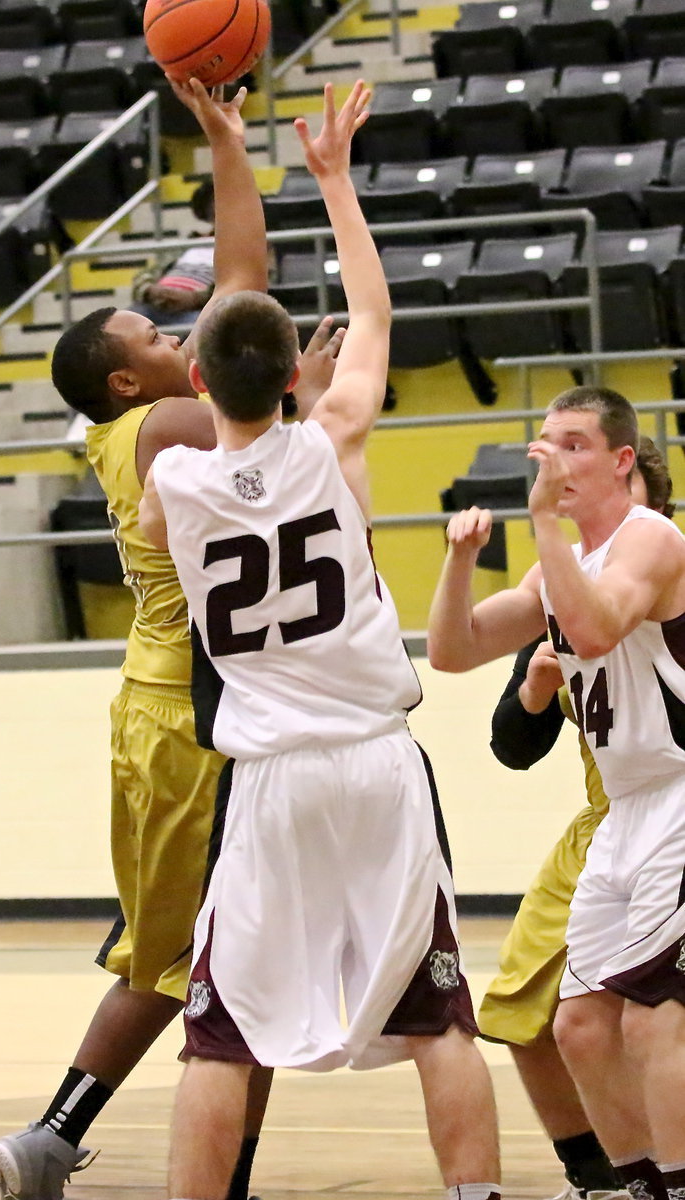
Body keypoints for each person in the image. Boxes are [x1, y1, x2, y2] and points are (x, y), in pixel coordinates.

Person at [139, 79, 501, 1200]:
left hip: (270, 778)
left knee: (218, 1035)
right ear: (301, 375)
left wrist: (219, 143)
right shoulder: (331, 437)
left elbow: (228, 381)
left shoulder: (173, 481)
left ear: (197, 383)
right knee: (438, 1015)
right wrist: (336, 182)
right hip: (375, 761)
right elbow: (374, 319)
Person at [0, 77, 344, 1200]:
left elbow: (240, 291)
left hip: (182, 715)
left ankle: (59, 1140)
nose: (180, 327)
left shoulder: (153, 414)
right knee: (210, 956)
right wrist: (310, 396)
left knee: (209, 948)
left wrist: (225, 146)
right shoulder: (157, 426)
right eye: (154, 328)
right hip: (187, 721)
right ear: (127, 377)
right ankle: (78, 1145)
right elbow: (252, 351)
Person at [427, 386, 685, 1200]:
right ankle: (638, 1184)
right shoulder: (557, 567)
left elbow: (599, 628)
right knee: (576, 1025)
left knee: (654, 1019)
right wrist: (461, 560)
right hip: (621, 815)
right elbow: (453, 651)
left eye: (573, 443)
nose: (552, 458)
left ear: (619, 461)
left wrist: (543, 524)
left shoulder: (653, 537)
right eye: (544, 442)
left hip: (679, 795)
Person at [131, 179, 216, 327]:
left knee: (203, 330)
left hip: (199, 311)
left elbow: (240, 285)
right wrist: (151, 290)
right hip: (155, 305)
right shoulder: (188, 243)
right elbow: (143, 276)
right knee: (121, 327)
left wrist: (195, 298)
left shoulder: (245, 244)